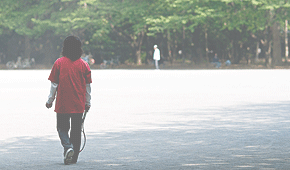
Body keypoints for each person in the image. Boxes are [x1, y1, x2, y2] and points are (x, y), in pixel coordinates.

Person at [45, 35, 92, 165]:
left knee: (62, 128)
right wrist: (88, 102)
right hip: (78, 104)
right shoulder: (84, 65)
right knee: (76, 130)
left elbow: (54, 85)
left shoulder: (59, 63)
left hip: (63, 103)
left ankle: (67, 147)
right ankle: (74, 157)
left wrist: (50, 101)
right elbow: (88, 87)